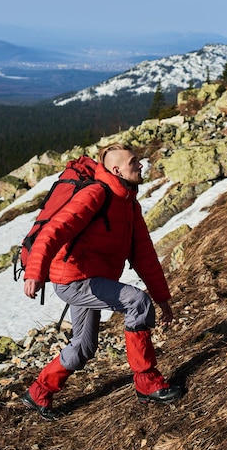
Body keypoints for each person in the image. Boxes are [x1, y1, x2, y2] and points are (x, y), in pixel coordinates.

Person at [22, 142, 182, 420]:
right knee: (136, 302)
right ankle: (146, 382)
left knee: (84, 347)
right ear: (117, 169)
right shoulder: (96, 194)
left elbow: (145, 256)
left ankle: (38, 392)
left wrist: (163, 299)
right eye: (134, 162)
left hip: (92, 279)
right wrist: (35, 272)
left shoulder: (129, 205)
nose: (141, 165)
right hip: (72, 279)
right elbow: (54, 231)